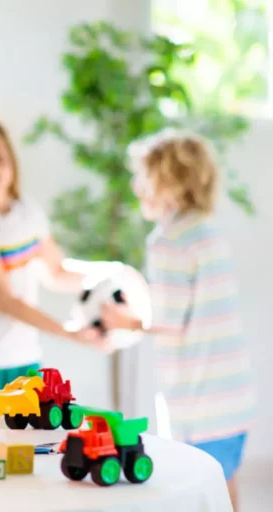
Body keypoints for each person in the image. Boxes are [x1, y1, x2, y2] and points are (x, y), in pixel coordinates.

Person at [101, 128, 255, 510]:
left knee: (196, 492)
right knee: (224, 487)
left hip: (197, 402)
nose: (136, 186)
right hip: (233, 398)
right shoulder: (207, 231)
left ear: (167, 183)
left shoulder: (168, 240)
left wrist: (125, 321)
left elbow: (169, 319)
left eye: (143, 176)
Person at [0, 116, 101, 410]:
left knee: (29, 447)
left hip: (25, 358)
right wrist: (68, 332)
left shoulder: (29, 212)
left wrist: (108, 273)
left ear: (11, 160)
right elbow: (5, 300)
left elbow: (56, 272)